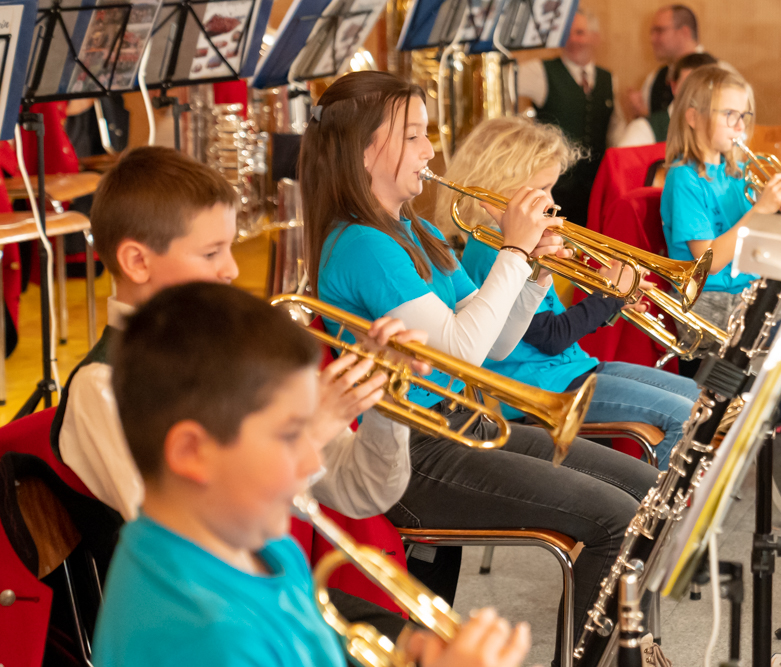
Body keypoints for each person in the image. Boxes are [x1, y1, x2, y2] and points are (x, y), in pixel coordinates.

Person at [300, 71, 659, 656]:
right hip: (413, 450)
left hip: (463, 422)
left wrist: (534, 271)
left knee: (646, 490)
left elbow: (495, 343)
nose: (430, 151)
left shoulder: (414, 228)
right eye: (413, 136)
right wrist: (513, 250)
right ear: (365, 151)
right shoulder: (364, 244)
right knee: (616, 521)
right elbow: (459, 350)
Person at [50, 145, 424, 639]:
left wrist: (384, 398)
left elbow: (362, 490)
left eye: (229, 247)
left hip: (272, 600)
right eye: (211, 253)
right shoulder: (102, 388)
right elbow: (189, 548)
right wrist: (310, 430)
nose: (230, 269)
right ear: (137, 261)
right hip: (202, 630)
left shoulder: (236, 358)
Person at [92, 282, 532, 667]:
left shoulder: (262, 545)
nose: (311, 461)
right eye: (291, 434)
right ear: (192, 452)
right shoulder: (207, 636)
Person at [438, 116, 702, 469]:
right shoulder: (493, 248)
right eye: (542, 189)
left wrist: (613, 300)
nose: (553, 201)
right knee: (683, 417)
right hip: (543, 386)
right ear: (504, 185)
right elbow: (550, 337)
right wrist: (609, 297)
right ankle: (660, 504)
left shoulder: (522, 241)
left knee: (699, 401)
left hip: (574, 369)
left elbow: (550, 325)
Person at [659, 65, 781, 513]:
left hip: (753, 297)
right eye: (728, 114)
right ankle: (780, 435)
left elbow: (761, 245)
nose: (740, 126)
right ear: (693, 117)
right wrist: (760, 211)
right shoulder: (683, 179)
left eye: (745, 115)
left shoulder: (739, 169)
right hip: (709, 307)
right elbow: (707, 263)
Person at [518, 10, 625, 227]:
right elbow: (503, 83)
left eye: (579, 33)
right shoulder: (540, 71)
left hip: (595, 188)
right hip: (554, 187)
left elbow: (616, 129)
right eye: (566, 33)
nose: (573, 40)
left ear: (595, 37)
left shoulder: (609, 79)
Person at [618, 52, 718, 148]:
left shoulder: (723, 129)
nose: (699, 93)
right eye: (689, 86)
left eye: (709, 86)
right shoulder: (644, 129)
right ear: (674, 87)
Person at [630, 4, 702, 119]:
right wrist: (642, 116)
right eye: (652, 32)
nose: (652, 39)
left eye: (660, 31)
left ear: (684, 32)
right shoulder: (654, 78)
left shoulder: (719, 74)